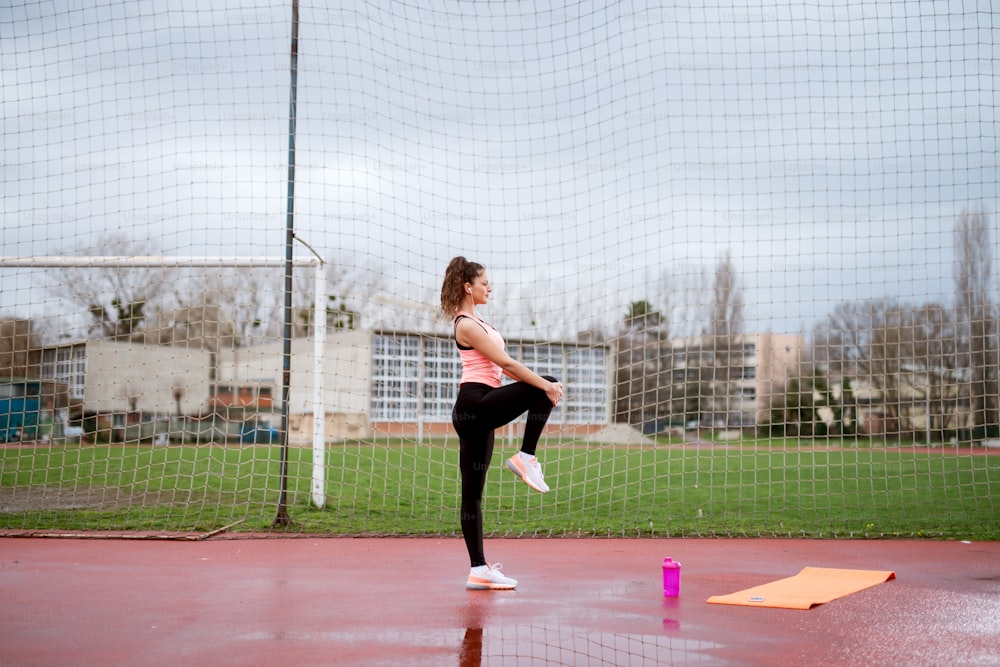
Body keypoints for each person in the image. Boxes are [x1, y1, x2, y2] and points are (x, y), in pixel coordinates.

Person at [440, 256, 564, 591]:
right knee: (544, 384)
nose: (489, 288)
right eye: (484, 283)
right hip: (474, 404)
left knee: (473, 494)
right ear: (469, 287)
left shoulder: (482, 323)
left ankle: (478, 569)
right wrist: (546, 384)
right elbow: (507, 361)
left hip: (481, 408)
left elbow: (505, 369)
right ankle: (525, 457)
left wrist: (542, 384)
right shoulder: (465, 324)